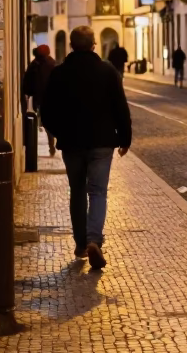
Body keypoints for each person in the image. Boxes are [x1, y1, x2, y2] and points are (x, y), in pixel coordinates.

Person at [40, 25, 132, 270]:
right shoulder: (107, 71)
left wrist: (60, 132)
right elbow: (120, 107)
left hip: (72, 143)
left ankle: (81, 244)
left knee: (77, 190)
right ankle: (94, 239)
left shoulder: (60, 73)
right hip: (102, 141)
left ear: (71, 46)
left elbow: (46, 112)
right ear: (94, 45)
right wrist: (125, 138)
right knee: (98, 192)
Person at [22, 44, 57, 156]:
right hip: (53, 98)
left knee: (47, 123)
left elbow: (27, 82)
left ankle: (52, 143)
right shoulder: (53, 64)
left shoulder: (34, 65)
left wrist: (28, 93)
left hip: (41, 99)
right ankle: (53, 142)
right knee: (52, 122)